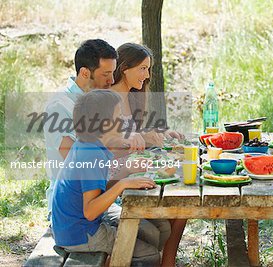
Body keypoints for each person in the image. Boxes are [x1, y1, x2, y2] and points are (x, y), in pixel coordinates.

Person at [52, 90, 167, 266]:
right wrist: (122, 184)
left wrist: (125, 176)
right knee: (149, 254)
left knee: (155, 231)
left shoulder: (91, 146)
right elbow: (90, 212)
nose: (122, 120)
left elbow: (97, 190)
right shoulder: (91, 154)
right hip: (79, 234)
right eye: (118, 116)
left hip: (73, 226)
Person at [43, 39, 146, 219]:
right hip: (73, 208)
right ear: (84, 73)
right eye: (106, 74)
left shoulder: (99, 102)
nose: (112, 80)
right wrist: (124, 165)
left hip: (98, 192)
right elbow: (79, 163)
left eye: (113, 73)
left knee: (156, 220)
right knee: (145, 222)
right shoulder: (60, 107)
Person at [111, 42, 187, 266]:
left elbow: (131, 133)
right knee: (177, 205)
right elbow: (110, 146)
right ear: (124, 68)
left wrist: (161, 133)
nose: (146, 75)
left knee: (181, 200)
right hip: (115, 177)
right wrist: (145, 140)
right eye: (142, 69)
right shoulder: (109, 99)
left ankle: (167, 261)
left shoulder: (132, 96)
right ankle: (162, 260)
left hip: (133, 168)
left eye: (148, 69)